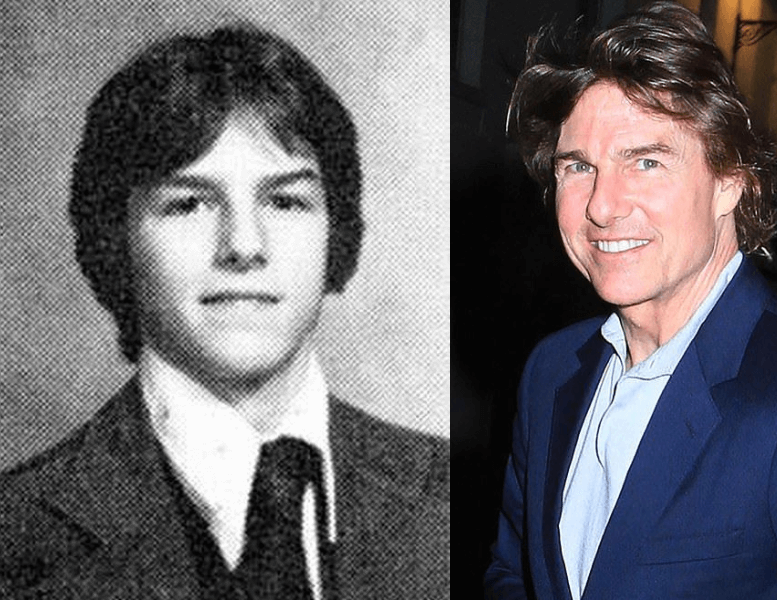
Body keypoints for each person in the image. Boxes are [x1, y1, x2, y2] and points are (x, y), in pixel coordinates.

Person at [0, 24, 449, 599]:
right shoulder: (17, 541)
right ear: (114, 240)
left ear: (336, 233)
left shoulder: (459, 497)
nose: (243, 245)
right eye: (188, 204)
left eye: (286, 201)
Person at [485, 2, 777, 598]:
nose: (602, 205)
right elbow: (514, 575)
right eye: (578, 167)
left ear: (730, 179)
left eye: (646, 162)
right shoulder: (550, 371)